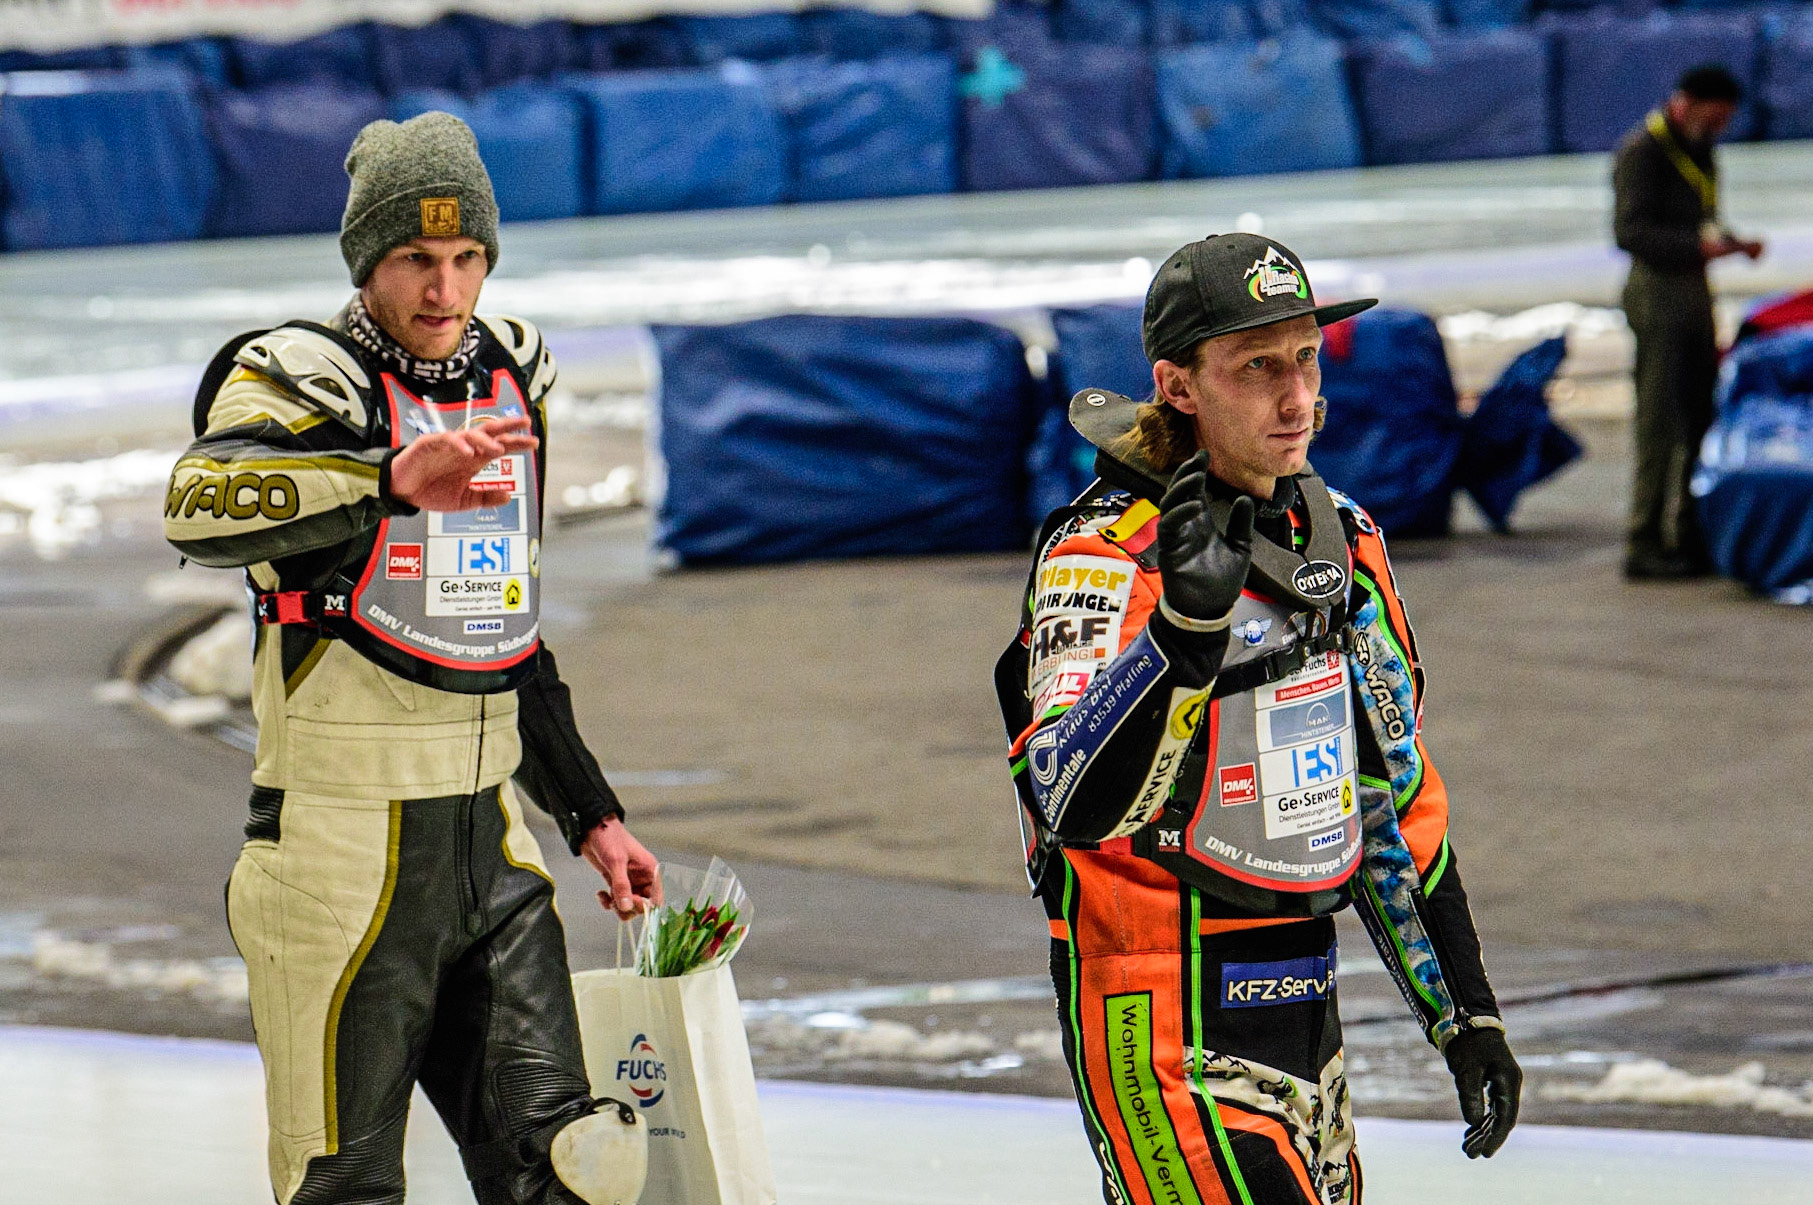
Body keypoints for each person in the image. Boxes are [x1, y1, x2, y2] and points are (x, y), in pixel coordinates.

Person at [164, 113, 656, 1205]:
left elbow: (502, 626)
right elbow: (194, 506)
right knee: (344, 1187)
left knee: (577, 1176)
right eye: (414, 261)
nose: (445, 290)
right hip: (337, 861)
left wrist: (591, 811)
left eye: (466, 258)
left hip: (494, 852)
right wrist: (386, 477)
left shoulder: (514, 372)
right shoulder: (298, 377)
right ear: (365, 263)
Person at [996, 234, 1521, 1204]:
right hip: (1152, 1007)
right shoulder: (1100, 552)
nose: (1295, 399)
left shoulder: (1345, 541)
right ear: (1177, 385)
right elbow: (1065, 793)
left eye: (1305, 359)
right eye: (1255, 367)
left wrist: (1464, 1015)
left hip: (1302, 1002)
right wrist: (1180, 640)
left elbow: (1390, 798)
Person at [1613, 63, 1764, 580]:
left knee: (1700, 417)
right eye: (1715, 117)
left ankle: (1692, 535)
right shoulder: (1642, 152)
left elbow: (1699, 217)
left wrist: (1732, 242)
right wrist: (1696, 247)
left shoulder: (1702, 148)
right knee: (1660, 423)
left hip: (1696, 292)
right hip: (1657, 294)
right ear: (1688, 103)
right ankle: (1644, 540)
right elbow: (1630, 233)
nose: (1720, 128)